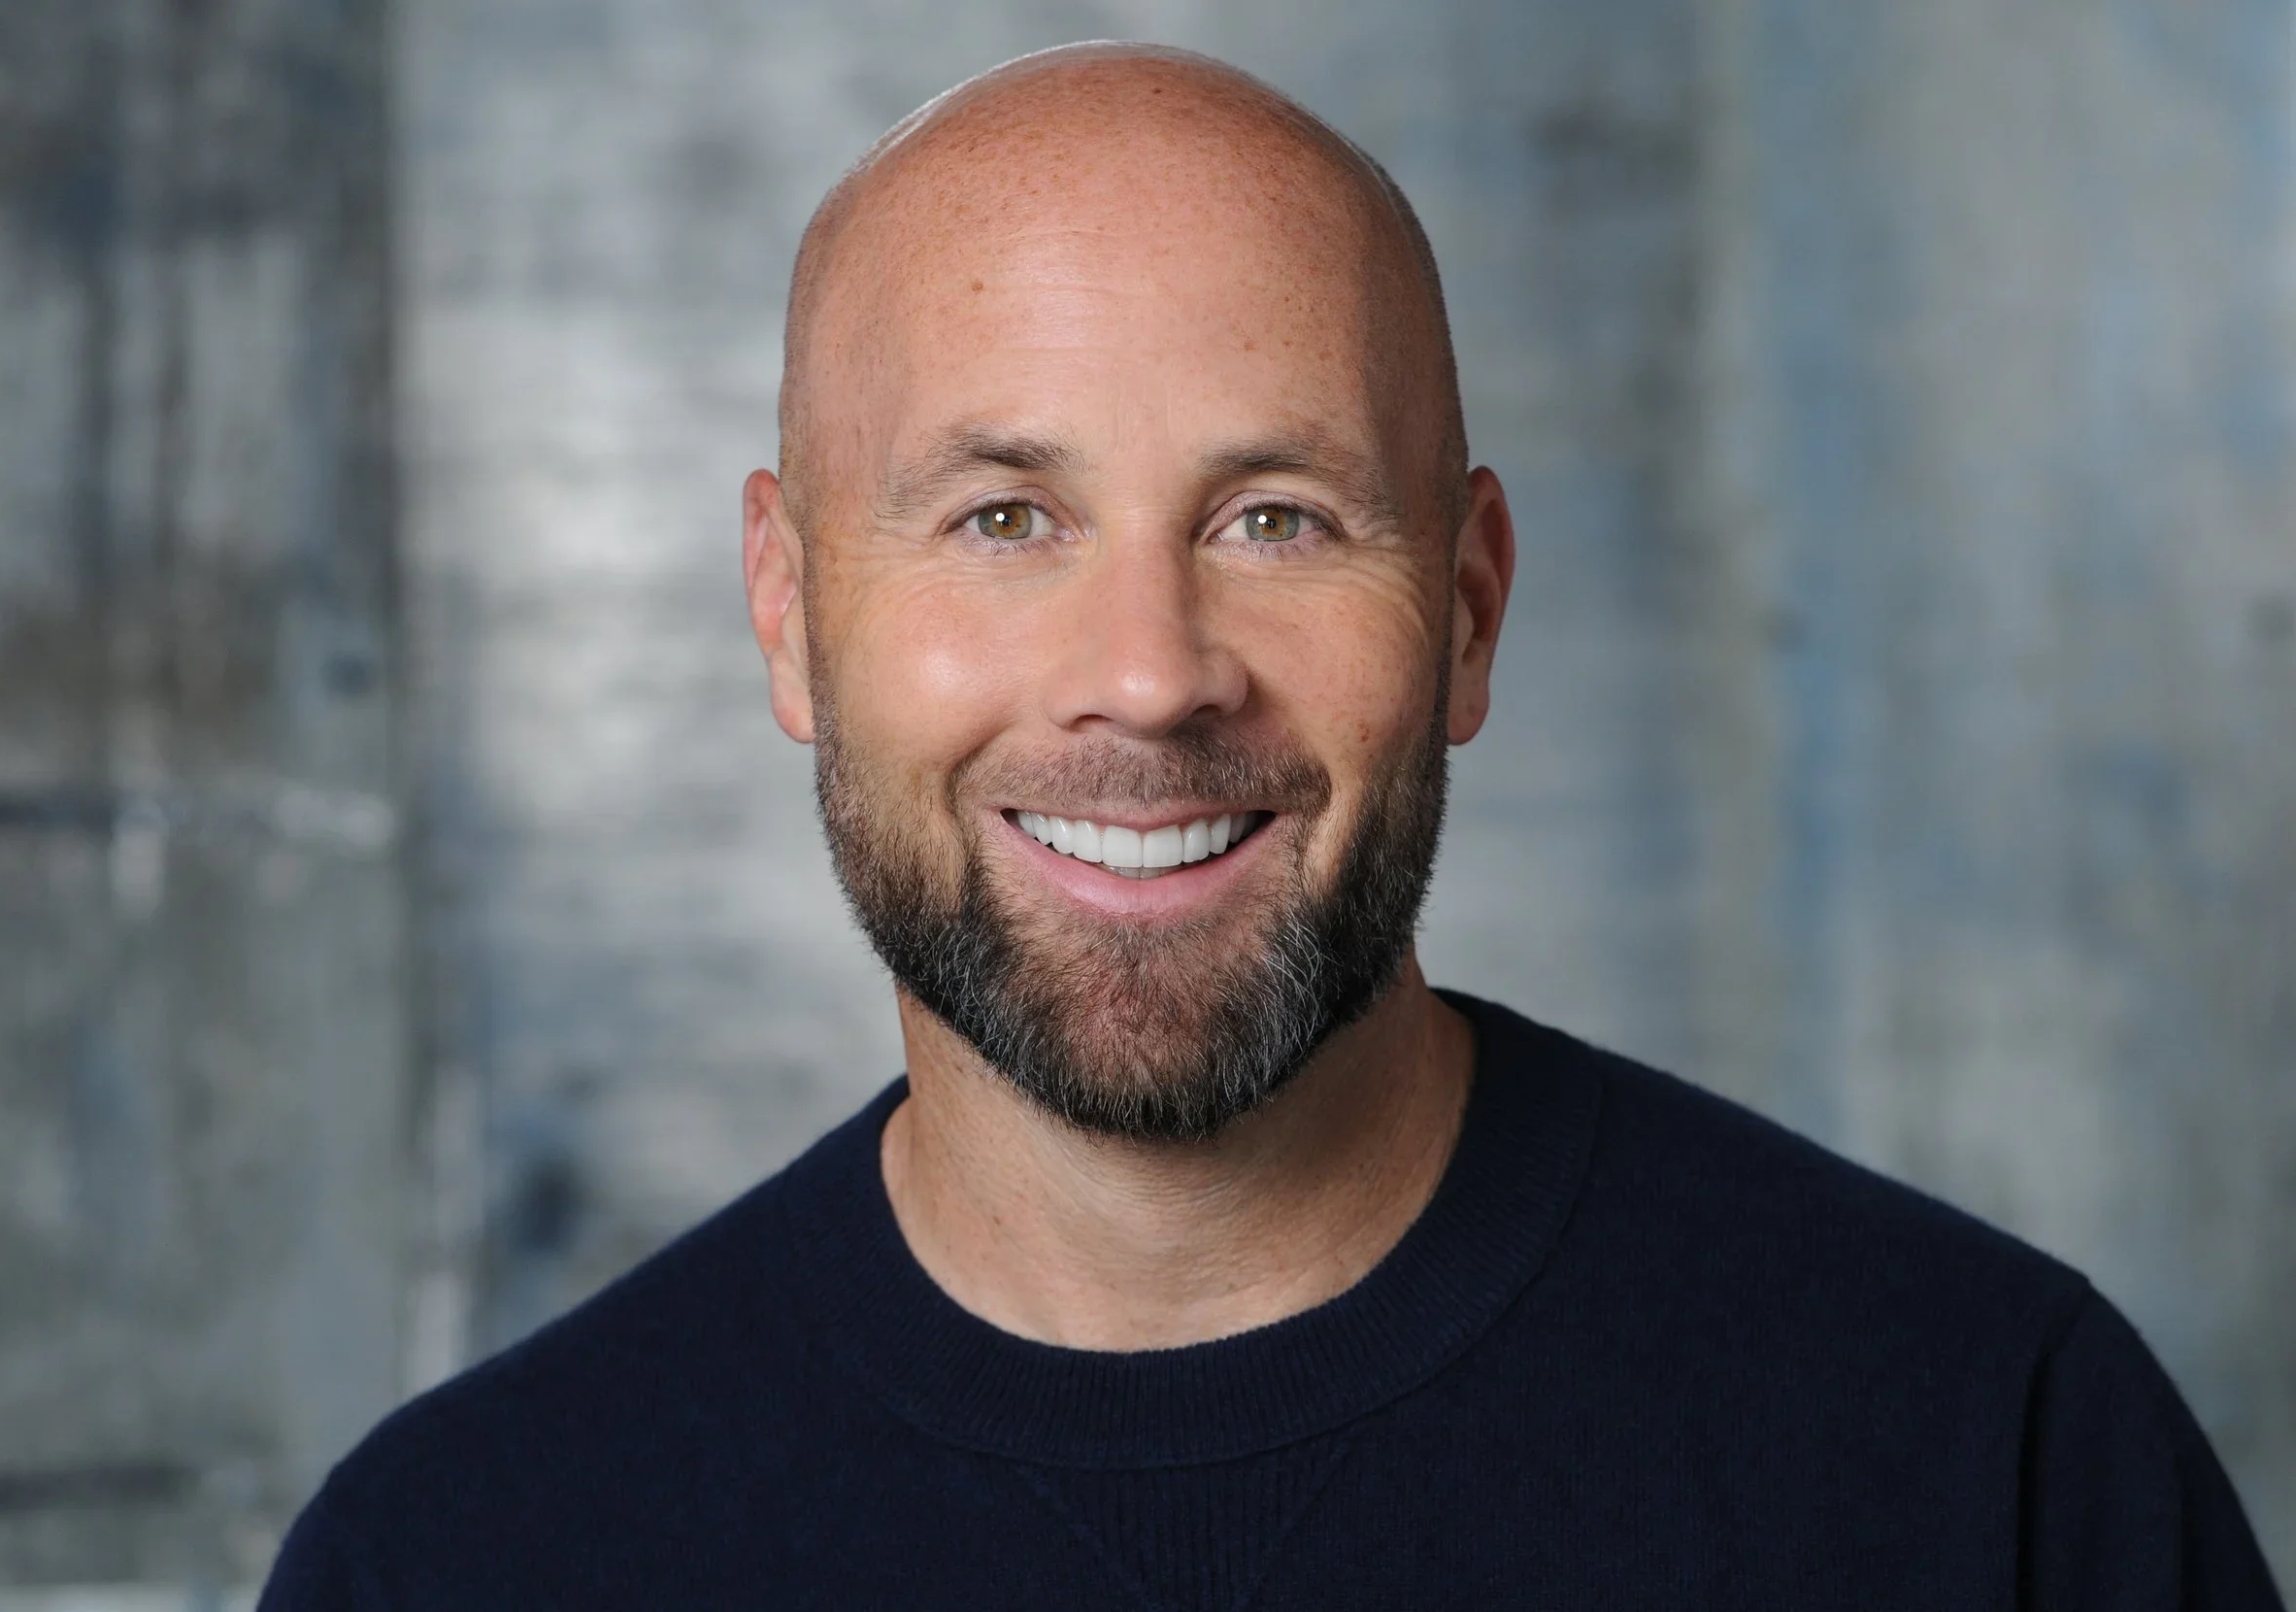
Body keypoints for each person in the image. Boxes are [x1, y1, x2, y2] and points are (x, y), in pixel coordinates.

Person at [262, 42, 2283, 1609]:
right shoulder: (463, 1557)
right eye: (1001, 516)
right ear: (791, 609)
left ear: (1468, 608)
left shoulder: (1977, 1455)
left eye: (1275, 519)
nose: (1149, 673)